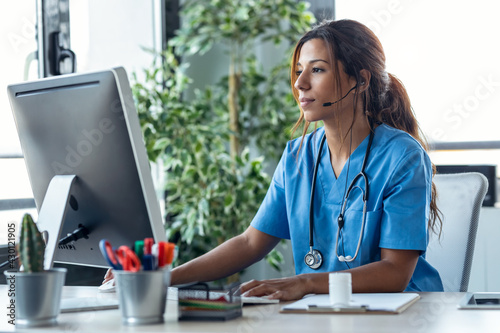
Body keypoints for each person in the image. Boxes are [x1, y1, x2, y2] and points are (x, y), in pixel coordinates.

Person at [103, 19, 444, 300]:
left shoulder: (402, 157)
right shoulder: (298, 156)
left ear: (361, 79)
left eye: (318, 70)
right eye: (298, 71)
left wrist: (306, 282)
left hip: (399, 314)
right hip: (323, 314)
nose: (300, 83)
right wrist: (163, 278)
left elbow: (396, 272)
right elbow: (251, 242)